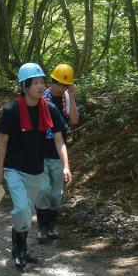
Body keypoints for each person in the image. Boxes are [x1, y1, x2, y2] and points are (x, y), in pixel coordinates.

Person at [0, 63, 72, 271]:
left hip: (37, 169)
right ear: (24, 86)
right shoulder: (12, 110)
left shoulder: (51, 109)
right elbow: (2, 142)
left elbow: (59, 141)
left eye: (41, 81)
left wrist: (65, 166)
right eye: (35, 82)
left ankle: (20, 247)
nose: (40, 85)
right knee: (22, 209)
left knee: (26, 213)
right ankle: (20, 250)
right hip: (15, 169)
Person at [35, 63, 80, 241]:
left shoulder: (66, 99)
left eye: (66, 85)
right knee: (43, 190)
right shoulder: (40, 98)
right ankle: (42, 227)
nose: (62, 88)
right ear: (52, 82)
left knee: (56, 194)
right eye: (59, 84)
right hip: (40, 152)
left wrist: (73, 98)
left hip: (57, 153)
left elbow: (74, 120)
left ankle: (51, 225)